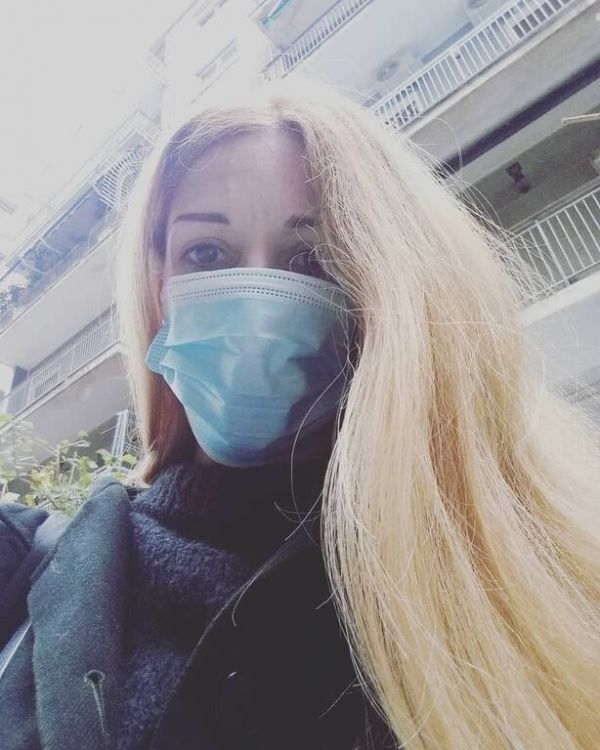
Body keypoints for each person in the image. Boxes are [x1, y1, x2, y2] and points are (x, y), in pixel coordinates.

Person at [1, 76, 599, 749]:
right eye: (206, 253)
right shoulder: (30, 563)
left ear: (389, 289)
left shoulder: (514, 589)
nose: (257, 302)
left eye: (311, 258)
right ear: (157, 287)